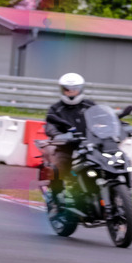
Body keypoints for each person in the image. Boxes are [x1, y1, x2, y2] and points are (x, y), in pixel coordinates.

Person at [43, 73, 95, 202]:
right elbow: (50, 126)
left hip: (89, 145)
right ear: (62, 90)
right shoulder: (56, 108)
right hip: (66, 146)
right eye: (68, 89)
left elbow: (102, 118)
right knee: (58, 166)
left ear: (81, 89)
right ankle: (56, 196)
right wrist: (58, 135)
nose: (71, 92)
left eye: (75, 89)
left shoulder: (90, 105)